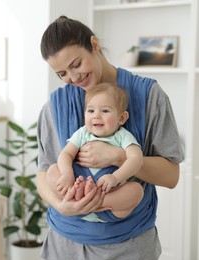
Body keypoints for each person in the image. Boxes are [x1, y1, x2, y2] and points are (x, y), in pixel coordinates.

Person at [37, 16, 184, 259]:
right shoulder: (54, 106)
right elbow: (44, 173)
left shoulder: (149, 96)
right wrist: (61, 205)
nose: (73, 78)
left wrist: (118, 157)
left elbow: (171, 176)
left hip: (128, 244)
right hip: (63, 243)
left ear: (94, 44)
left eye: (76, 64)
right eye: (62, 73)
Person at [46, 83, 144, 221]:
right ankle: (79, 196)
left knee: (136, 191)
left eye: (105, 111)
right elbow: (66, 154)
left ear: (121, 118)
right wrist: (67, 173)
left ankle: (92, 200)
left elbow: (136, 159)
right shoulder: (83, 133)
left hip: (108, 199)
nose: (96, 116)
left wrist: (115, 178)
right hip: (75, 194)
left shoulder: (123, 136)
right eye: (91, 111)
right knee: (52, 171)